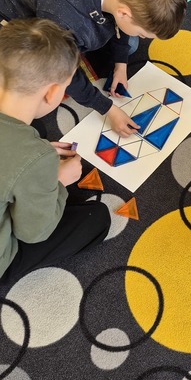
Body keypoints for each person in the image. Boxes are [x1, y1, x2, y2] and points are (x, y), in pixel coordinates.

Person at [0, 0, 187, 137]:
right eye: (143, 34)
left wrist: (121, 65)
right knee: (41, 86)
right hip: (11, 12)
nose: (143, 37)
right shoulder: (66, 16)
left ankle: (89, 46)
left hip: (56, 0)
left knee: (129, 45)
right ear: (123, 13)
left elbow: (122, 26)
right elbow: (62, 68)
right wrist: (108, 109)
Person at [0, 18, 111, 285]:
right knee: (97, 219)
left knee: (36, 128)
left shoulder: (31, 154)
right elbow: (33, 233)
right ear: (52, 93)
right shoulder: (36, 159)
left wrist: (32, 157)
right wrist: (58, 181)